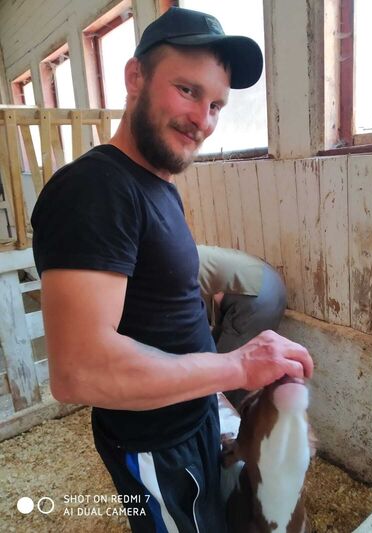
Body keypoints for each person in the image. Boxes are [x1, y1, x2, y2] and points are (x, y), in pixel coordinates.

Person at [31, 7, 313, 533]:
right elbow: (78, 370)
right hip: (154, 441)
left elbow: (161, 304)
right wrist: (237, 366)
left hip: (189, 416)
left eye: (216, 105)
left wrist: (216, 387)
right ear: (135, 77)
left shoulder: (156, 184)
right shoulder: (93, 190)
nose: (203, 120)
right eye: (187, 91)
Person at [197, 245, 287, 406]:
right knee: (217, 370)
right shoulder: (171, 252)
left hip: (254, 295)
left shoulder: (156, 271)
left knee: (224, 381)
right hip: (263, 280)